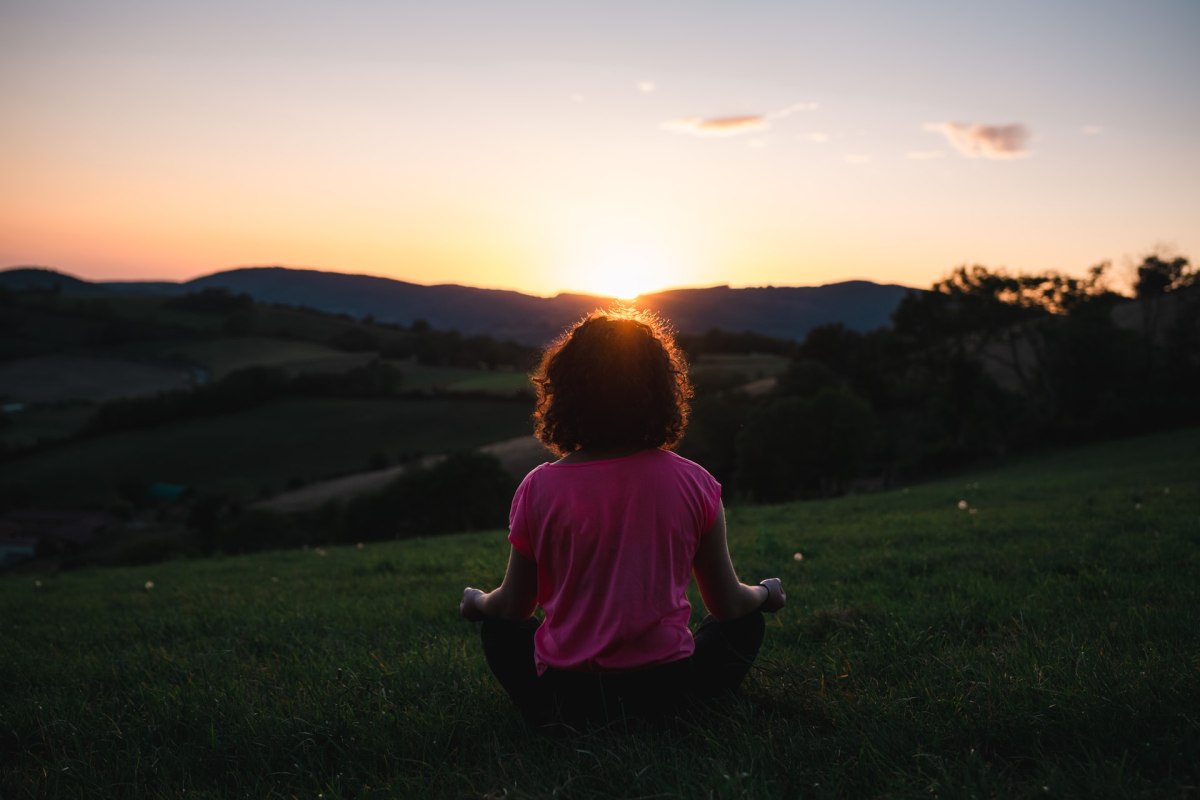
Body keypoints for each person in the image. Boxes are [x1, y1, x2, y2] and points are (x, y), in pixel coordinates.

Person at [459, 307, 785, 729]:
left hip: (566, 700)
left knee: (498, 630)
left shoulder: (538, 487)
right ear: (662, 392)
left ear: (565, 393)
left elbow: (513, 608)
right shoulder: (695, 482)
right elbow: (727, 605)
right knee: (743, 625)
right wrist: (765, 593)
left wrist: (477, 601)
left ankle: (549, 715)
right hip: (669, 696)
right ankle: (686, 711)